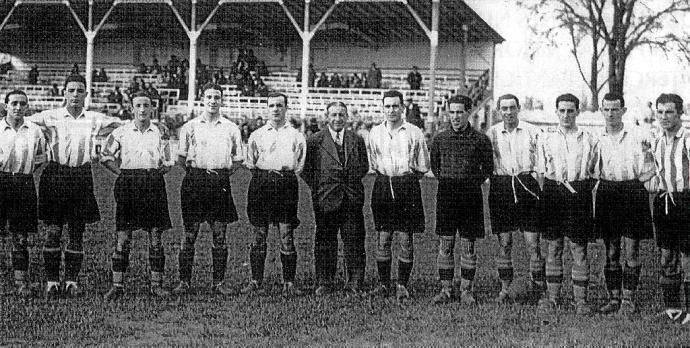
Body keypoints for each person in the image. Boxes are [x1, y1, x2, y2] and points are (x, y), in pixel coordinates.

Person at [27, 74, 122, 298]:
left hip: (81, 175)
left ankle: (71, 281)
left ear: (86, 94)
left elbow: (121, 126)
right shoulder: (50, 117)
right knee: (53, 230)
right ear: (64, 93)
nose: (75, 95)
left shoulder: (94, 119)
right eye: (71, 90)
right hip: (55, 175)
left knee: (77, 232)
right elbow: (23, 121)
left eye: (80, 91)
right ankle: (51, 281)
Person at [101, 91, 174, 300]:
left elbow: (168, 162)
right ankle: (117, 285)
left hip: (153, 184)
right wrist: (122, 173)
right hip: (128, 184)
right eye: (138, 105)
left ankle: (156, 285)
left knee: (155, 236)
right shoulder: (121, 131)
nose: (142, 109)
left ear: (152, 108)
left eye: (146, 105)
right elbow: (105, 156)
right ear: (131, 108)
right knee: (123, 237)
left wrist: (152, 175)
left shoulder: (161, 131)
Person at [172, 83, 243, 296]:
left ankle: (218, 282)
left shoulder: (231, 128)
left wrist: (218, 175)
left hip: (219, 183)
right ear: (203, 99)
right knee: (190, 234)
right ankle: (184, 282)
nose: (213, 101)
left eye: (217, 97)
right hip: (194, 182)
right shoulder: (190, 126)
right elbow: (181, 159)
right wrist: (199, 174)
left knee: (220, 235)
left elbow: (238, 161)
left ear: (222, 101)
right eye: (209, 96)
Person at [536, 93, 598, 316]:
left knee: (578, 247)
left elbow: (594, 170)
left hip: (579, 192)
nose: (565, 115)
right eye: (561, 110)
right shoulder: (546, 138)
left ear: (577, 112)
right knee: (554, 246)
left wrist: (581, 190)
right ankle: (553, 297)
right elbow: (541, 171)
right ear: (556, 112)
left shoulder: (589, 138)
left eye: (570, 110)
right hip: (553, 192)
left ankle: (580, 300)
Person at [367, 90, 430, 302]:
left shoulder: (414, 132)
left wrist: (406, 179)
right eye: (388, 106)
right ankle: (384, 284)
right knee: (383, 238)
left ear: (402, 108)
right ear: (382, 108)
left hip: (406, 186)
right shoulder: (374, 133)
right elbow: (373, 162)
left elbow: (423, 167)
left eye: (395, 106)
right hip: (383, 184)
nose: (392, 110)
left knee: (405, 238)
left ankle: (402, 284)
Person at [595, 92, 655, 315]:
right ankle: (614, 297)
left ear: (623, 111)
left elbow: (652, 165)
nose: (611, 113)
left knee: (632, 248)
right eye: (606, 109)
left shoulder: (639, 135)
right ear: (601, 110)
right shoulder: (596, 137)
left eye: (615, 109)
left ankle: (628, 300)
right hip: (607, 192)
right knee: (611, 249)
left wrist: (636, 182)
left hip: (632, 191)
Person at [429, 95, 492, 304]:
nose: (455, 117)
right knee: (445, 243)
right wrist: (450, 181)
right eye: (452, 112)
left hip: (471, 196)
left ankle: (466, 289)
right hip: (447, 195)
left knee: (468, 245)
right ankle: (446, 289)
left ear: (469, 112)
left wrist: (469, 181)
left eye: (460, 112)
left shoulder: (481, 140)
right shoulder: (439, 139)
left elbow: (487, 169)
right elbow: (435, 167)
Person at [301, 101, 369, 295]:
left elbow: (363, 166)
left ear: (347, 117)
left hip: (351, 199)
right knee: (325, 240)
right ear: (327, 117)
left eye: (341, 115)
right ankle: (324, 281)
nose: (337, 119)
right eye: (334, 115)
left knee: (354, 240)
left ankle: (355, 281)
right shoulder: (315, 140)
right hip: (326, 199)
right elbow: (307, 171)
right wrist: (320, 189)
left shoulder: (356, 140)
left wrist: (351, 187)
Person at [243, 93, 306, 296]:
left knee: (286, 234)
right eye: (272, 105)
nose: (276, 109)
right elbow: (251, 163)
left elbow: (300, 165)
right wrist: (266, 176)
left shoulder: (296, 135)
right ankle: (256, 281)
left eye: (280, 105)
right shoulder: (257, 135)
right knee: (259, 234)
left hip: (286, 184)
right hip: (261, 183)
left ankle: (288, 282)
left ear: (286, 108)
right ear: (267, 108)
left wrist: (281, 175)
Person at [486, 94, 545, 303]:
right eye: (504, 108)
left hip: (526, 184)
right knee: (505, 243)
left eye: (512, 108)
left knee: (532, 243)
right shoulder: (491, 133)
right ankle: (505, 289)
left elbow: (541, 164)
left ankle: (538, 289)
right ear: (499, 110)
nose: (508, 112)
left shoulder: (533, 131)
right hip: (501, 186)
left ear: (518, 108)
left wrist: (540, 189)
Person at [0, 90, 46, 298]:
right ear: (6, 105)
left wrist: (24, 175)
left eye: (22, 103)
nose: (18, 107)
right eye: (14, 103)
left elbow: (41, 157)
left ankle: (21, 282)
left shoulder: (34, 131)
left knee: (21, 235)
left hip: (23, 184)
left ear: (27, 106)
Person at [650, 93, 690, 323]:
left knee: (687, 256)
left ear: (680, 113)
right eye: (660, 112)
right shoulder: (657, 140)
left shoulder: (687, 138)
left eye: (669, 112)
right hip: (664, 201)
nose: (664, 117)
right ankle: (673, 310)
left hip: (686, 201)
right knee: (667, 256)